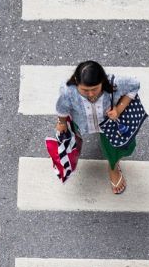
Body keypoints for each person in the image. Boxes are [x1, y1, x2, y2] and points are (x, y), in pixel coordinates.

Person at [54, 61, 142, 195]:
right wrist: (62, 123)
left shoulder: (115, 83)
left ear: (103, 81)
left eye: (95, 89)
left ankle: (113, 168)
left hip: (109, 124)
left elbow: (135, 85)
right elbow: (62, 108)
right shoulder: (68, 91)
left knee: (116, 149)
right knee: (73, 144)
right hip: (83, 124)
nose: (90, 94)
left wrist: (118, 109)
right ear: (76, 82)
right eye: (84, 90)